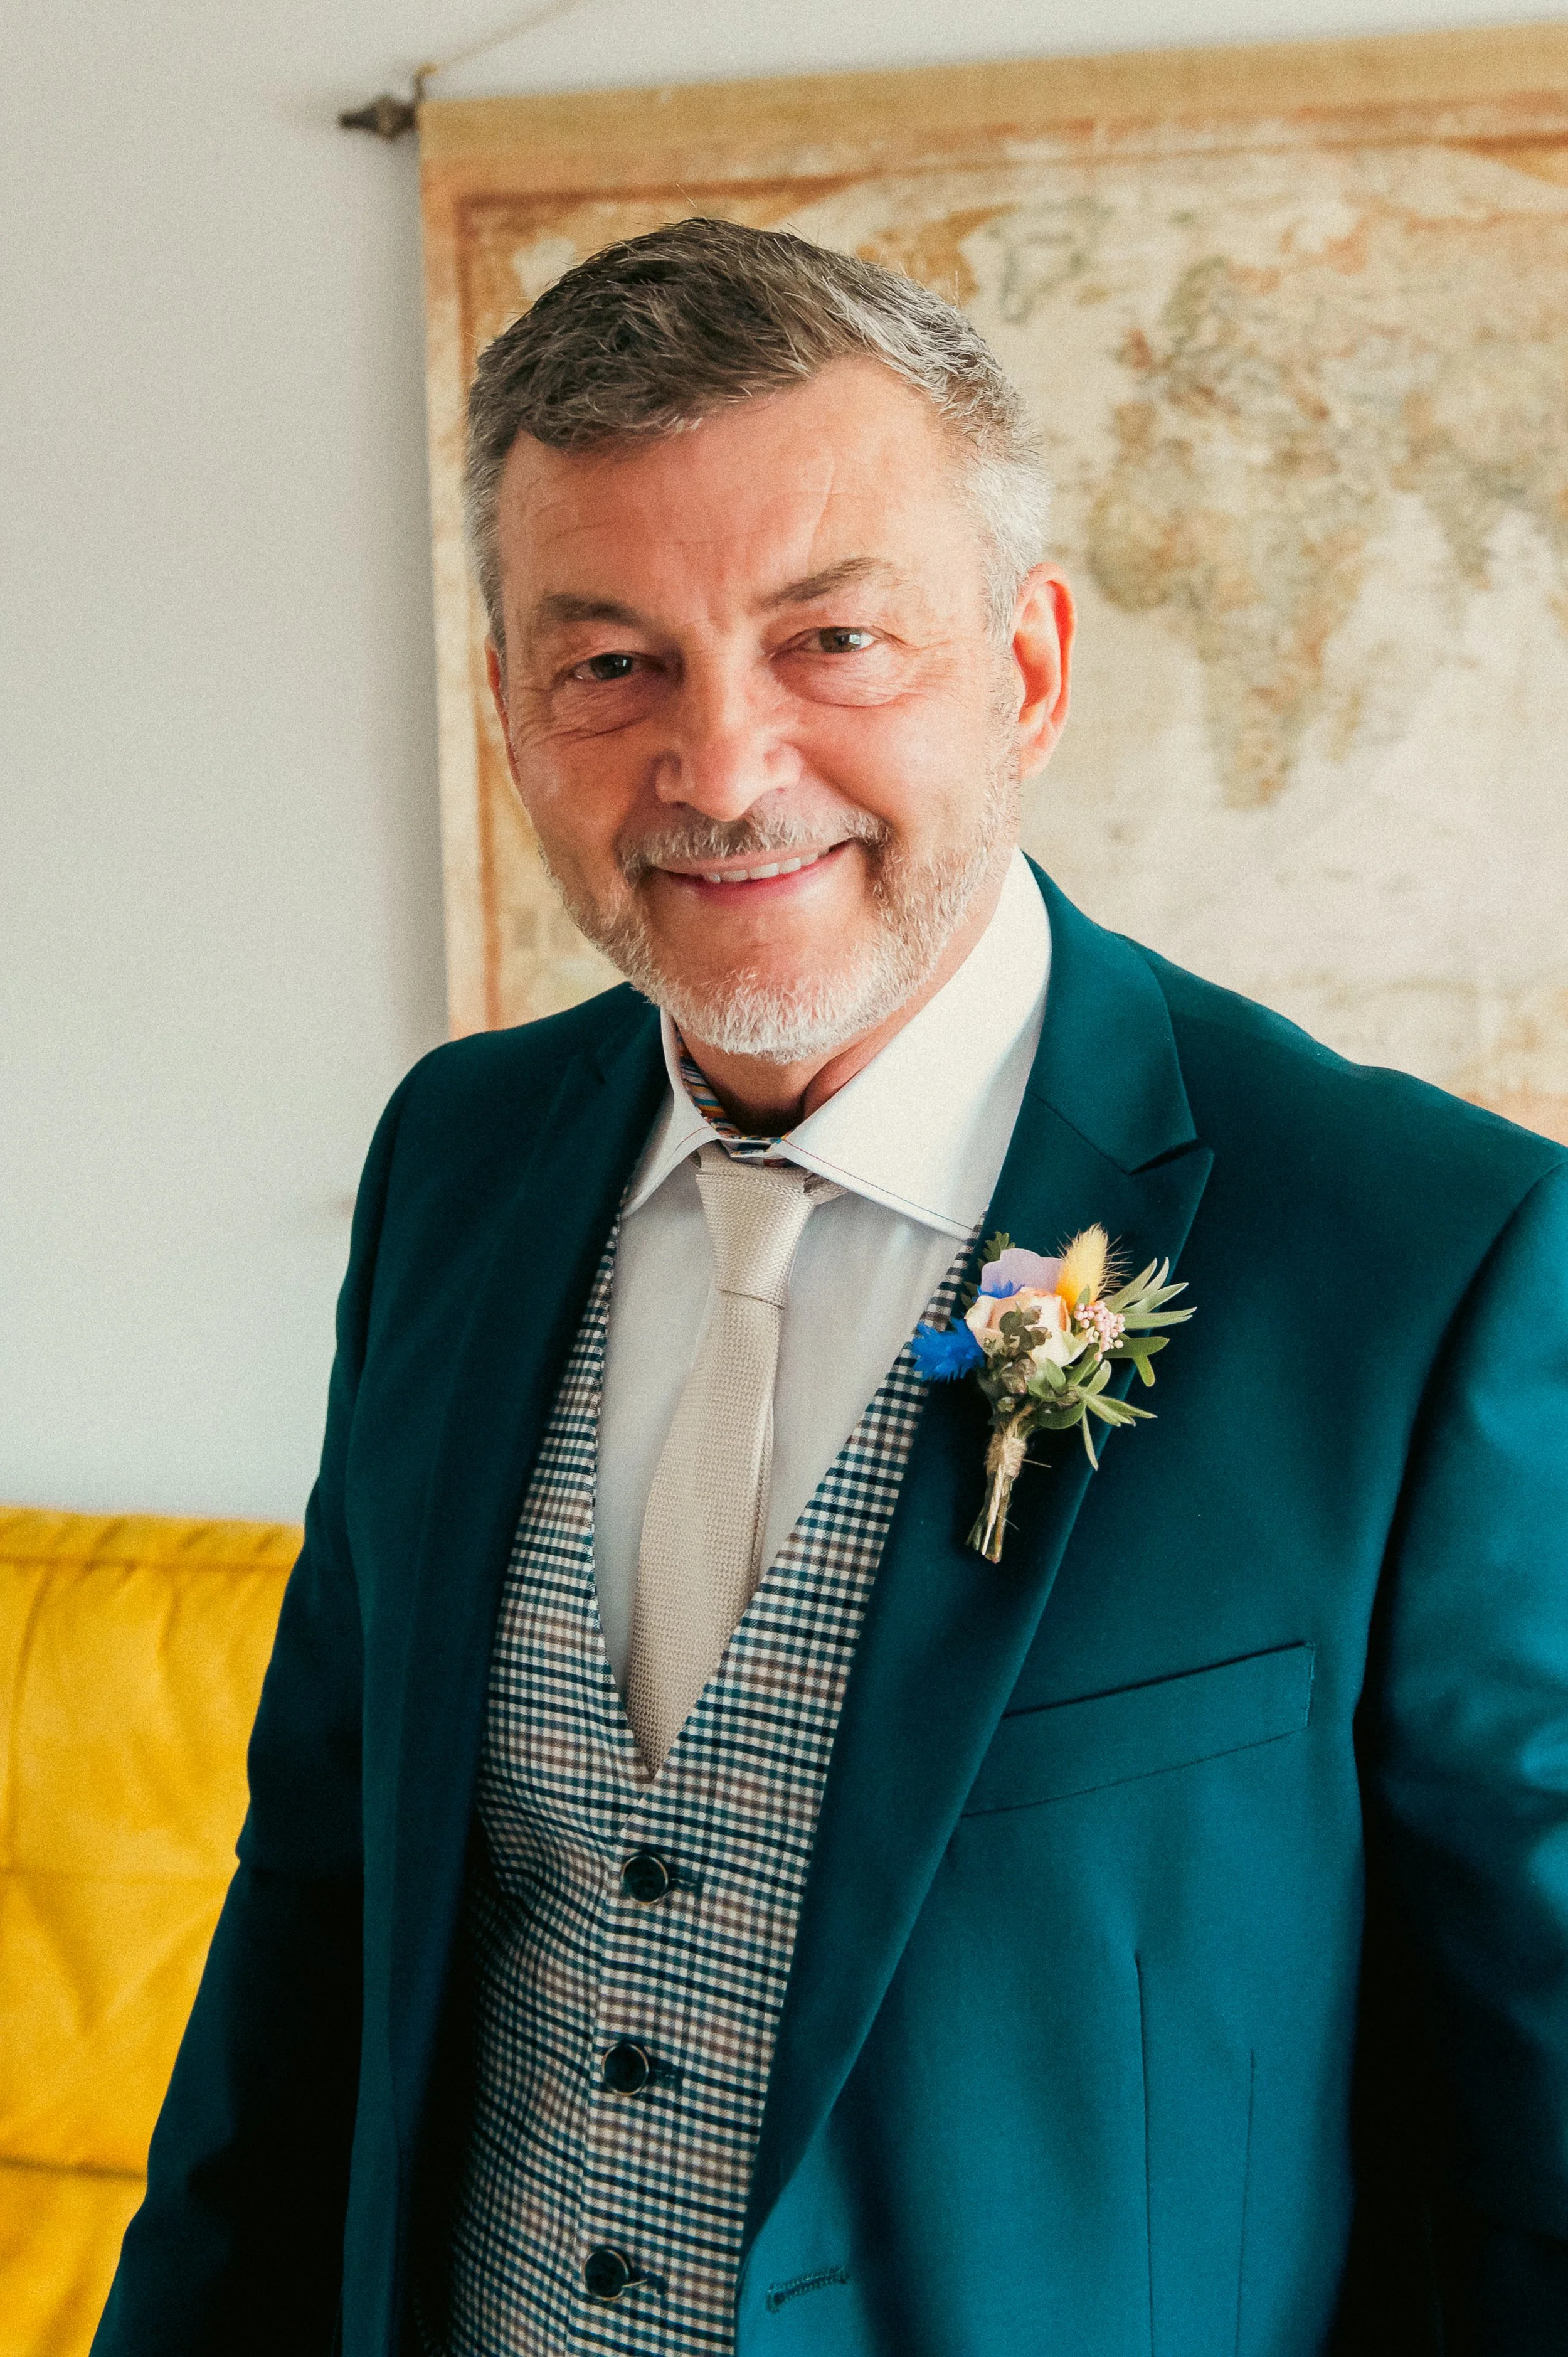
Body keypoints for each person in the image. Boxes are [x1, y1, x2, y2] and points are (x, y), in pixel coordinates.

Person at [93, 218, 1568, 2357]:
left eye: (832, 642)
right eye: (611, 665)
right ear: (509, 711)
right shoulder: (454, 1160)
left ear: (1030, 667)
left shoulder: (1431, 1260)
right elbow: (314, 1904)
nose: (718, 766)